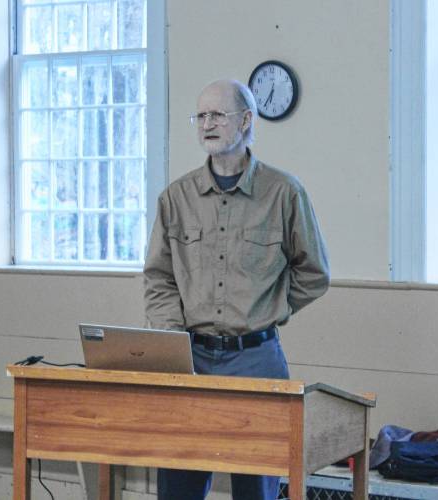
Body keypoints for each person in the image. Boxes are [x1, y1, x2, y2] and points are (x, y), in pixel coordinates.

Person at [143, 79, 330, 500]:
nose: (206, 124)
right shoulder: (176, 198)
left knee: (256, 490)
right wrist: (173, 335)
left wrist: (270, 308)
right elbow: (158, 276)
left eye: (217, 115)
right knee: (178, 489)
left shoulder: (284, 192)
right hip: (190, 361)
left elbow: (314, 272)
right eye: (201, 116)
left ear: (246, 120)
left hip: (256, 362)